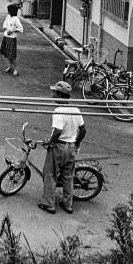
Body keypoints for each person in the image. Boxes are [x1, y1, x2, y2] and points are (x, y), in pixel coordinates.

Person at [38, 81, 86, 214]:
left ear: (60, 94)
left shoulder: (58, 111)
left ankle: (49, 204)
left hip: (59, 146)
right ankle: (68, 204)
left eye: (54, 92)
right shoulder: (76, 110)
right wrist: (76, 142)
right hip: (71, 147)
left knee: (50, 174)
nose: (53, 94)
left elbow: (57, 131)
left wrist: (50, 142)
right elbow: (83, 130)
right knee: (68, 177)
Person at [0, 3, 23, 75]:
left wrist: (12, 31)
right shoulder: (8, 17)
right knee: (7, 53)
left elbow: (20, 29)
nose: (8, 12)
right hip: (6, 36)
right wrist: (6, 29)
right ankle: (10, 66)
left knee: (12, 55)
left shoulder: (16, 19)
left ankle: (16, 68)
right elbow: (5, 24)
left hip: (12, 38)